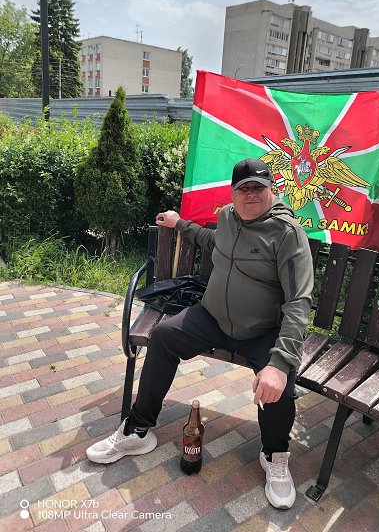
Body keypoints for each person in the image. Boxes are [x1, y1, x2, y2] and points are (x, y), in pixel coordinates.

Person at [86, 158, 314, 510]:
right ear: (233, 194)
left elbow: (299, 301)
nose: (251, 195)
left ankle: (274, 455)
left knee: (279, 386)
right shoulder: (228, 217)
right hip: (212, 317)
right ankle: (137, 430)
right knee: (163, 337)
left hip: (262, 331)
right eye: (244, 189)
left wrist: (280, 363)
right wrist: (179, 224)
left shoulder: (287, 234)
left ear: (272, 189)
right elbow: (212, 240)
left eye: (259, 187)